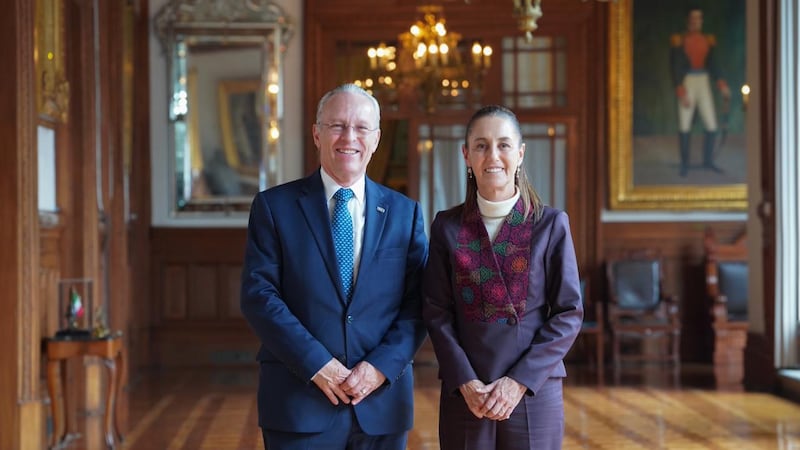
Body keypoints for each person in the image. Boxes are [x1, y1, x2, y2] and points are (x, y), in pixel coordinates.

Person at [240, 83, 428, 450]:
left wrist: (378, 369)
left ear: (375, 139)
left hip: (381, 405)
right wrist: (316, 364)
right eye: (337, 125)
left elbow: (419, 303)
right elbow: (259, 295)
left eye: (361, 128)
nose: (349, 137)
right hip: (298, 401)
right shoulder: (273, 208)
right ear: (316, 133)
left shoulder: (405, 213)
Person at [422, 105, 583, 450]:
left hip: (531, 388)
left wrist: (518, 381)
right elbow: (436, 312)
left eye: (503, 145)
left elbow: (569, 313)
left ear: (520, 153)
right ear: (466, 155)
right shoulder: (446, 227)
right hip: (467, 390)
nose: (492, 156)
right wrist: (464, 379)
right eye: (481, 145)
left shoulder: (551, 224)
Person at [670, 6, 731, 177]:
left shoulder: (708, 40)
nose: (696, 21)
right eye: (693, 18)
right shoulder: (678, 40)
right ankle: (684, 164)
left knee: (711, 124)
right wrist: (681, 90)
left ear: (701, 21)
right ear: (688, 20)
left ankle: (708, 161)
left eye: (699, 18)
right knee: (684, 124)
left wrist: (722, 85)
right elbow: (674, 66)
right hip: (687, 81)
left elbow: (713, 64)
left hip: (703, 81)